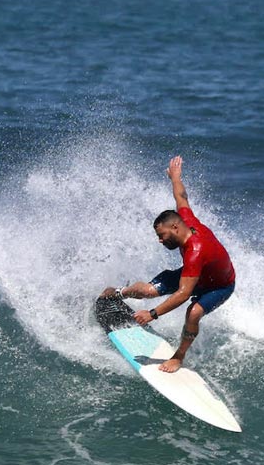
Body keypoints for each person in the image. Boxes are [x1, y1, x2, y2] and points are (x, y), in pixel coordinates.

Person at [101, 156, 236, 373]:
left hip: (219, 285)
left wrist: (152, 314)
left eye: (162, 235)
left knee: (193, 312)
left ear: (174, 227)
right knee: (146, 290)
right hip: (196, 274)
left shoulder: (196, 251)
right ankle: (119, 292)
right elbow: (181, 197)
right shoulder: (186, 220)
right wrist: (175, 177)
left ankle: (178, 357)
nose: (160, 240)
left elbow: (183, 294)